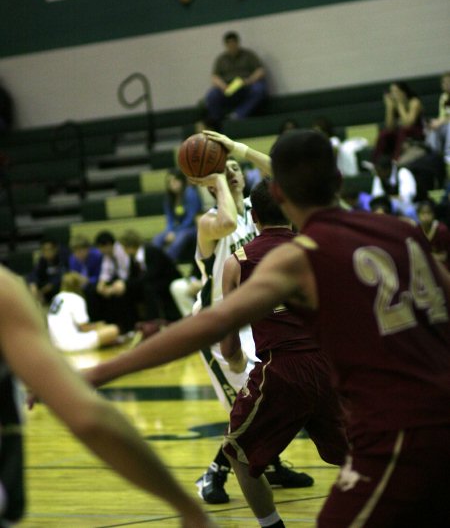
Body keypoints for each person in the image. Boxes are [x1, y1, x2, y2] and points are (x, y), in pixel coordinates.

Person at [85, 129, 450, 527]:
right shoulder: (402, 231)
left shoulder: (300, 255)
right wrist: (239, 152)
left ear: (277, 197)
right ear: (341, 180)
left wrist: (101, 371)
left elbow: (210, 325)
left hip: (403, 427)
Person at [0, 265, 215, 527]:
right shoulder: (6, 289)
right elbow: (89, 419)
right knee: (112, 330)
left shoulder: (51, 297)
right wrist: (186, 507)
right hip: (67, 343)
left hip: (55, 343)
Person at [220, 179, 347, 526]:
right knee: (361, 457)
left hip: (283, 370)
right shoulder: (320, 249)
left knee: (238, 453)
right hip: (332, 365)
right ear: (290, 210)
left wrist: (235, 362)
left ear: (254, 215)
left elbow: (229, 345)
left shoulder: (239, 261)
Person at [203, 31, 267, 130]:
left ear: (238, 43)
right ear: (226, 45)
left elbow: (260, 71)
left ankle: (238, 114)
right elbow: (214, 77)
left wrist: (249, 80)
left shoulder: (248, 55)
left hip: (245, 85)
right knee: (212, 95)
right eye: (229, 43)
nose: (232, 46)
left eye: (234, 43)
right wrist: (222, 86)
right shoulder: (221, 59)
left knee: (259, 89)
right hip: (228, 88)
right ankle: (216, 122)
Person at [47, 271, 120, 352]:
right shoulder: (76, 298)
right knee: (114, 329)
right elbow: (84, 328)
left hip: (54, 345)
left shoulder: (57, 297)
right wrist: (98, 325)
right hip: (70, 344)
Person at [120, 229, 182, 323]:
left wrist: (126, 284)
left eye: (124, 248)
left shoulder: (151, 251)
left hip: (169, 279)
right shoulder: (133, 258)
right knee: (129, 290)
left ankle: (153, 322)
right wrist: (124, 285)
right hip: (155, 280)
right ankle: (132, 323)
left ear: (130, 246)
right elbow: (134, 277)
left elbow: (151, 275)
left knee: (148, 288)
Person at [152, 169, 202, 263]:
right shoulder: (169, 198)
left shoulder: (190, 193)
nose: (172, 184)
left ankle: (166, 262)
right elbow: (170, 219)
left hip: (192, 228)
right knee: (157, 238)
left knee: (181, 237)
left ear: (181, 181)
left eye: (175, 181)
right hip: (177, 228)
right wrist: (170, 231)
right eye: (169, 182)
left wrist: (176, 232)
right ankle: (155, 261)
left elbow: (191, 218)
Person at [373, 81, 424, 162]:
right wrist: (389, 108)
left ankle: (396, 159)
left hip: (415, 132)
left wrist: (400, 106)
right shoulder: (394, 105)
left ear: (404, 92)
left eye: (396, 91)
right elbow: (389, 127)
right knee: (384, 133)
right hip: (400, 133)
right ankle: (376, 162)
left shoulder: (414, 102)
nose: (393, 95)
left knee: (402, 131)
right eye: (391, 92)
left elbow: (409, 124)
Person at [366, 155, 418, 219]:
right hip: (390, 210)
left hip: (413, 207)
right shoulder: (379, 176)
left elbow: (406, 199)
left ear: (387, 169)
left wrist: (387, 198)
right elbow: (377, 198)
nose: (377, 174)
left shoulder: (403, 173)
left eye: (379, 171)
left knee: (408, 211)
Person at [27, 238, 70, 305]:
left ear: (55, 249)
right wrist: (33, 284)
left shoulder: (62, 257)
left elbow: (62, 274)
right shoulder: (42, 260)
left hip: (57, 287)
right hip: (46, 287)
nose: (46, 252)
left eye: (49, 249)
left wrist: (49, 286)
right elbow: (34, 273)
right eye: (44, 250)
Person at [416, 199, 450, 270]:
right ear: (418, 215)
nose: (426, 216)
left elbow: (445, 255)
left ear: (434, 214)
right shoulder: (417, 230)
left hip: (443, 266)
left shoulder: (442, 230)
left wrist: (429, 257)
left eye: (429, 213)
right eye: (422, 213)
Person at [426, 72, 450, 164]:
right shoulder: (443, 97)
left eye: (449, 82)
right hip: (445, 125)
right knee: (433, 128)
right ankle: (434, 155)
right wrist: (435, 123)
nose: (446, 84)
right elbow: (442, 116)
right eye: (444, 82)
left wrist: (442, 121)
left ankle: (448, 154)